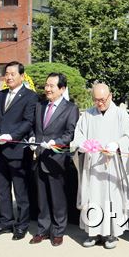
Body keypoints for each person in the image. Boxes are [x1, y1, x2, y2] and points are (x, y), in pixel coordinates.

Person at [71, 83, 129, 249]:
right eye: (96, 100)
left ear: (111, 96)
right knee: (91, 197)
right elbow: (78, 135)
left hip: (112, 165)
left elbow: (128, 136)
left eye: (102, 99)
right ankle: (92, 233)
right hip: (92, 164)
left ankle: (111, 234)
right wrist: (83, 144)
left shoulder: (121, 115)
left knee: (110, 198)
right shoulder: (87, 115)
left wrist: (117, 144)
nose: (99, 103)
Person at [0, 61, 38, 240]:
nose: (8, 77)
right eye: (6, 73)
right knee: (2, 190)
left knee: (20, 191)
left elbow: (28, 122)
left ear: (22, 76)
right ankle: (5, 222)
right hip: (0, 150)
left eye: (12, 74)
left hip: (18, 150)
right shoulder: (0, 95)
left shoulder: (30, 96)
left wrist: (10, 136)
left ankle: (21, 225)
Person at [28, 73, 79, 247]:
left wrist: (56, 143)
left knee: (58, 199)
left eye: (52, 86)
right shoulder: (40, 106)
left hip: (57, 159)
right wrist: (33, 140)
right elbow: (33, 128)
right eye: (46, 85)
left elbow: (70, 133)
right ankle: (42, 230)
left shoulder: (71, 108)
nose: (47, 89)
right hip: (39, 156)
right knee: (41, 198)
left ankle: (58, 231)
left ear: (62, 89)